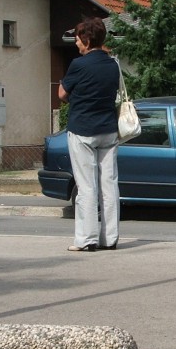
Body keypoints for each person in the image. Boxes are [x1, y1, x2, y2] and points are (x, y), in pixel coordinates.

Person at [58, 17, 121, 252]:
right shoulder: (113, 64)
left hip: (82, 130)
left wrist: (77, 98)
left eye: (77, 39)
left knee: (86, 187)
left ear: (86, 40)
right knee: (109, 185)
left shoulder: (78, 65)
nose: (76, 44)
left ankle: (87, 239)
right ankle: (110, 238)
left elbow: (62, 93)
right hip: (108, 130)